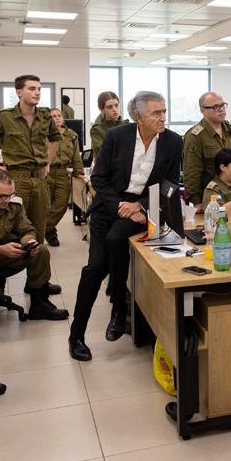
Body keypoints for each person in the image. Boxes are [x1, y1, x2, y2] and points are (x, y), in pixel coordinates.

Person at [69, 91, 182, 362]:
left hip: (144, 208)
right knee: (95, 268)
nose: (162, 118)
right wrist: (122, 207)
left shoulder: (173, 141)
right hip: (109, 205)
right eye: (156, 113)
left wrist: (141, 206)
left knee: (116, 240)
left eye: (164, 111)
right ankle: (77, 335)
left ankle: (119, 309)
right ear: (138, 117)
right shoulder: (116, 136)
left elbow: (168, 184)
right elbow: (98, 178)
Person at [0, 169, 68, 346]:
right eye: (3, 196)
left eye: (11, 195)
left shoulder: (13, 203)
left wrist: (30, 242)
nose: (7, 200)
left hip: (5, 253)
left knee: (41, 251)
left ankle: (39, 305)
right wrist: (1, 250)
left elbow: (26, 229)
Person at [0, 75, 60, 244]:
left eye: (39, 89)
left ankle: (35, 261)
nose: (37, 92)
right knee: (12, 226)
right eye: (32, 89)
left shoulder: (45, 116)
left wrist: (48, 161)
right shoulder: (5, 117)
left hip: (40, 180)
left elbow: (56, 138)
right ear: (19, 92)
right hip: (17, 180)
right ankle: (12, 263)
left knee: (39, 228)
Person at [182, 91, 231, 212]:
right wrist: (196, 201)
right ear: (203, 110)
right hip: (211, 198)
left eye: (223, 105)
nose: (221, 110)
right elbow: (191, 171)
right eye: (216, 107)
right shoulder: (195, 136)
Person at [45, 108, 85, 247]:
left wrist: (79, 171)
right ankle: (51, 234)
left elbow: (76, 156)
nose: (57, 118)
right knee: (46, 206)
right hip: (46, 173)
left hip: (63, 173)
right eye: (53, 116)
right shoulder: (42, 134)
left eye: (59, 116)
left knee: (61, 206)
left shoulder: (71, 135)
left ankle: (40, 230)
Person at [90, 91, 128, 159]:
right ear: (102, 110)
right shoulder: (97, 130)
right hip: (107, 168)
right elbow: (102, 153)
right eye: (109, 107)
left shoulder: (127, 126)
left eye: (116, 105)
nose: (115, 109)